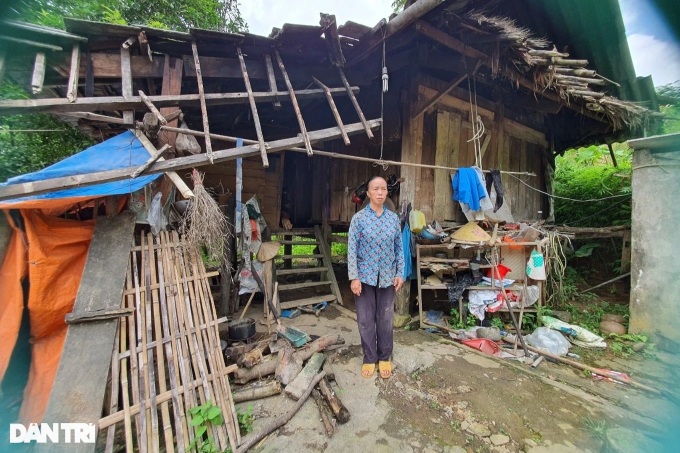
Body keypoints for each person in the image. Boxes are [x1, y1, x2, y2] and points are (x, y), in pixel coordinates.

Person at [347, 176, 405, 379]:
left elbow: (399, 249)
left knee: (386, 318)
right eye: (375, 189)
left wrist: (400, 273)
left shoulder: (393, 219)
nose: (380, 192)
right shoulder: (359, 219)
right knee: (365, 319)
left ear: (387, 192)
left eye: (383, 189)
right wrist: (354, 277)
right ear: (369, 193)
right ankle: (369, 358)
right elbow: (351, 249)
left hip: (387, 277)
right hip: (364, 277)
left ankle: (384, 357)